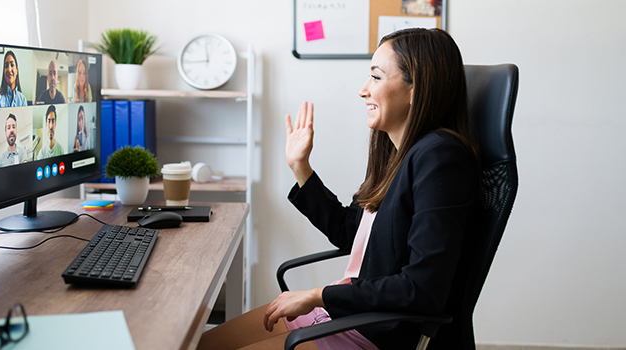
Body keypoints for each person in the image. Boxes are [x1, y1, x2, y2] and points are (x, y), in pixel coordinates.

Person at [197, 28, 481, 350]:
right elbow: (351, 232)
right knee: (202, 344)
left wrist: (317, 295)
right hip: (345, 313)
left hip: (376, 331)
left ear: (416, 88)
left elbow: (422, 288)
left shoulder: (440, 158)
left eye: (375, 77)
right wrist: (300, 167)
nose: (363, 90)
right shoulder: (396, 152)